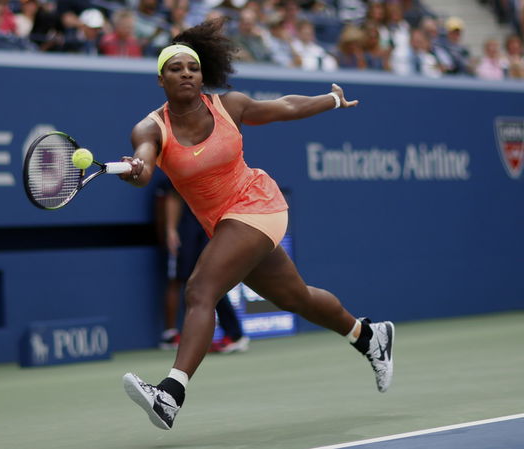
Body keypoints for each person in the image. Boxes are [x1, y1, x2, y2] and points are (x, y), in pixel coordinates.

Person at [119, 18, 395, 430]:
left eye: (192, 68)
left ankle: (170, 394)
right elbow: (143, 167)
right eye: (176, 69)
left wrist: (330, 100)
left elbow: (282, 107)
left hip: (258, 203)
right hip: (225, 223)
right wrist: (136, 169)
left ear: (201, 73)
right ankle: (368, 336)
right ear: (161, 79)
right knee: (296, 298)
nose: (186, 75)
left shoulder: (229, 105)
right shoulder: (150, 128)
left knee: (200, 289)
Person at [158, 179, 250, 353]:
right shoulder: (180, 165)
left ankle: (234, 335)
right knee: (192, 283)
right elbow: (173, 197)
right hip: (187, 231)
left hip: (208, 227)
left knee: (210, 280)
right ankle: (195, 337)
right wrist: (171, 230)